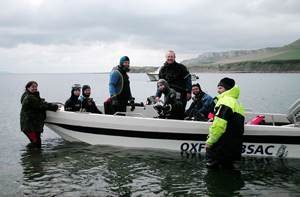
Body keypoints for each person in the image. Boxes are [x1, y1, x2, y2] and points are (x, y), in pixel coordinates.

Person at [205, 77, 245, 168]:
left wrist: (210, 142)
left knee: (213, 176)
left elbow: (219, 126)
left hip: (221, 147)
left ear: (227, 89)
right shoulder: (237, 103)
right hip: (235, 147)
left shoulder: (224, 101)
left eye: (220, 88)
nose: (218, 91)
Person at [20, 81, 58, 148]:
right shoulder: (29, 98)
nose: (35, 88)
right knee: (36, 143)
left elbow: (39, 102)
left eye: (36, 87)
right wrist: (53, 107)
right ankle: (34, 156)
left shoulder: (28, 95)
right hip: (30, 126)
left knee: (36, 142)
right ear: (28, 88)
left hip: (31, 125)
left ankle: (32, 155)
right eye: (33, 87)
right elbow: (41, 105)